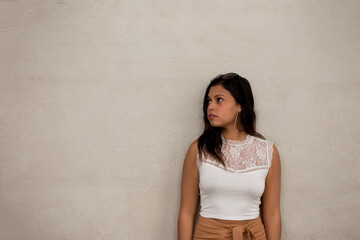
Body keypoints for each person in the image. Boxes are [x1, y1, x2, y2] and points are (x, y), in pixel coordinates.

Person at [177, 73, 281, 240]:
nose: (210, 106)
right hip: (208, 236)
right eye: (208, 101)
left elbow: (273, 214)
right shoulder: (198, 149)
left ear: (240, 105)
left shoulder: (268, 151)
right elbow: (187, 212)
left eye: (219, 99)